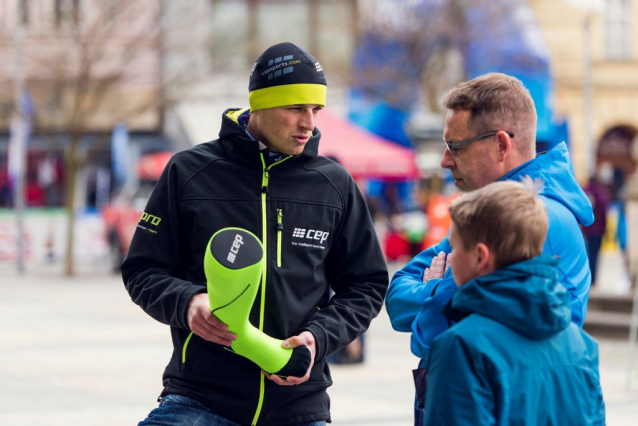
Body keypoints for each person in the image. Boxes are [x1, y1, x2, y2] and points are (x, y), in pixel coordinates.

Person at [122, 42, 388, 426]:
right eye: (296, 107)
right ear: (259, 104)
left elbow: (367, 285)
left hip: (300, 404)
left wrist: (318, 339)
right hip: (199, 398)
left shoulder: (334, 184)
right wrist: (188, 303)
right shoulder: (189, 170)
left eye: (316, 109)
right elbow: (142, 270)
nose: (309, 122)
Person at [384, 73, 594, 423]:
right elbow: (397, 298)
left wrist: (432, 287)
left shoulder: (514, 221)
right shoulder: (491, 212)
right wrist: (440, 289)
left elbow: (434, 335)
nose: (444, 161)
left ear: (500, 144)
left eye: (455, 146)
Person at [423, 180, 605, 424]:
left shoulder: (462, 346)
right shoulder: (581, 345)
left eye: (455, 248)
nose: (451, 258)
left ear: (480, 256)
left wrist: (431, 295)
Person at [583, 172, 611, 286]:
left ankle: (587, 277)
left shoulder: (584, 192)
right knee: (595, 255)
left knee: (586, 254)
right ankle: (593, 278)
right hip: (598, 230)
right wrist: (605, 229)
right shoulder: (601, 193)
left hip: (585, 229)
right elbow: (604, 212)